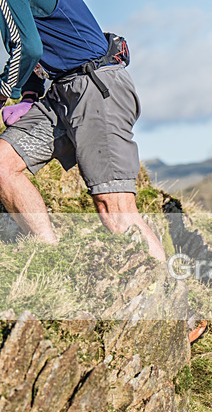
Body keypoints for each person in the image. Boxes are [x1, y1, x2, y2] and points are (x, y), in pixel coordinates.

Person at [0, 0, 165, 261]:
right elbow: (43, 40)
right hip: (62, 92)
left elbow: (28, 48)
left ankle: (163, 293)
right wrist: (30, 94)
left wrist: (4, 92)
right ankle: (48, 255)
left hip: (95, 87)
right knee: (2, 164)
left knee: (115, 209)